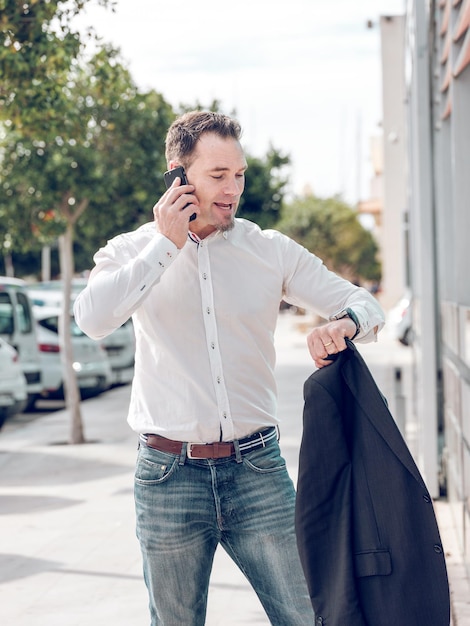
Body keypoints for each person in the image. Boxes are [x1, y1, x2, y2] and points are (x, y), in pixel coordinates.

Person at [74, 110, 385, 626]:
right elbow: (93, 319)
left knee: (311, 617)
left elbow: (362, 303)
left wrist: (347, 324)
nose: (232, 189)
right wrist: (167, 244)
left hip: (258, 471)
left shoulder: (269, 250)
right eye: (218, 176)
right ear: (178, 174)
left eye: (238, 175)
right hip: (167, 476)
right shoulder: (131, 252)